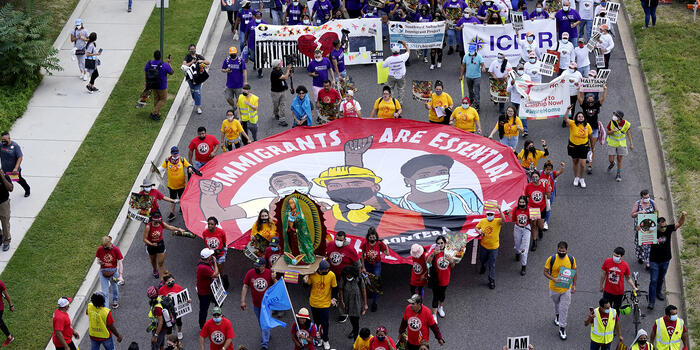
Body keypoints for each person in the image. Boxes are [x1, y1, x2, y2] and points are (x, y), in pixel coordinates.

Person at [648, 212, 686, 310]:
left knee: (661, 278)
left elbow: (679, 223)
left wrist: (683, 216)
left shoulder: (668, 229)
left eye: (665, 225)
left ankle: (658, 292)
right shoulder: (651, 231)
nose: (664, 228)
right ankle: (651, 301)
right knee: (653, 280)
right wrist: (639, 229)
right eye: (662, 226)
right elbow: (642, 234)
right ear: (657, 226)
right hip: (654, 261)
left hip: (665, 260)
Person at [543, 241, 577, 340]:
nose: (561, 252)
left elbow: (574, 272)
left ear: (566, 250)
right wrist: (553, 279)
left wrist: (574, 285)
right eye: (559, 250)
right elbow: (545, 272)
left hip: (566, 289)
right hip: (554, 288)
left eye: (563, 250)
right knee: (556, 303)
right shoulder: (551, 259)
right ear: (557, 250)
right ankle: (557, 316)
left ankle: (562, 327)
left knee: (564, 308)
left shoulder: (571, 259)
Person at [241, 257, 274, 350]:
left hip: (267, 305)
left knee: (265, 323)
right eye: (255, 266)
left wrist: (274, 279)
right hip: (256, 304)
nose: (256, 268)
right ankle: (266, 334)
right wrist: (243, 301)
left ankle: (264, 344)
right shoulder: (250, 273)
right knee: (261, 322)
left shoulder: (269, 273)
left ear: (263, 266)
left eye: (258, 266)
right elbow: (245, 286)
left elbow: (276, 286)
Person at [304, 260, 337, 350]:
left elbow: (334, 288)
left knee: (325, 323)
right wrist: (305, 281)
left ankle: (325, 339)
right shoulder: (313, 274)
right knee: (317, 323)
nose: (327, 271)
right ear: (320, 269)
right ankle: (319, 339)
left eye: (328, 269)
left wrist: (333, 298)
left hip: (325, 304)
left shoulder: (331, 275)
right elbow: (306, 286)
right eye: (325, 269)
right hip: (314, 303)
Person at [143, 211, 184, 280]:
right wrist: (151, 244)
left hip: (160, 244)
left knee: (161, 263)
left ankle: (162, 279)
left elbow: (170, 227)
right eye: (157, 221)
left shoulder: (162, 224)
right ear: (153, 220)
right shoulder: (148, 227)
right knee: (153, 260)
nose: (159, 222)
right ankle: (155, 270)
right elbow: (144, 239)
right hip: (151, 246)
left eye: (160, 220)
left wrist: (178, 229)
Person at [156, 146, 193, 221]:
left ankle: (182, 209)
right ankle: (172, 213)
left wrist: (189, 168)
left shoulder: (182, 159)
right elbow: (162, 168)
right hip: (172, 186)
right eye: (174, 154)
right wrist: (155, 169)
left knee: (182, 198)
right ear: (171, 153)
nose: (175, 155)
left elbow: (188, 165)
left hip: (181, 185)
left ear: (178, 153)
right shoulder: (167, 160)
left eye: (176, 154)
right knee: (172, 199)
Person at [578, 86, 608, 174]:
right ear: (586, 99)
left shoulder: (596, 104)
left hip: (594, 129)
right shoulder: (584, 105)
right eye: (588, 99)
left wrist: (605, 90)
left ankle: (590, 165)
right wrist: (579, 90)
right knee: (584, 146)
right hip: (585, 129)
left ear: (594, 99)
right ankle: (585, 159)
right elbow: (579, 98)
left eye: (591, 99)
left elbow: (603, 98)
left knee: (592, 147)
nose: (590, 100)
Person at [137, 50, 174, 121]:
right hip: (162, 86)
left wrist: (147, 82)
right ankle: (154, 113)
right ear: (160, 57)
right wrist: (169, 63)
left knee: (156, 98)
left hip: (152, 84)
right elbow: (172, 72)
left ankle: (157, 114)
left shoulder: (149, 63)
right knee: (163, 99)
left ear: (154, 56)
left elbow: (146, 72)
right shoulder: (164, 65)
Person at [426, 236, 455, 323]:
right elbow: (428, 261)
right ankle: (434, 314)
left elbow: (453, 266)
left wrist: (451, 261)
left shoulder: (449, 252)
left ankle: (440, 307)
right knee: (435, 296)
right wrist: (433, 254)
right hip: (436, 279)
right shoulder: (435, 252)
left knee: (442, 295)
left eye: (442, 243)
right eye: (438, 243)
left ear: (445, 243)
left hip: (445, 279)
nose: (440, 245)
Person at [600, 247, 637, 312]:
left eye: (617, 256)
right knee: (606, 309)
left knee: (616, 310)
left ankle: (615, 321)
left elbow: (628, 278)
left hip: (619, 293)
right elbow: (603, 274)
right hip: (607, 291)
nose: (615, 257)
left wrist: (634, 287)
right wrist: (601, 286)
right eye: (614, 255)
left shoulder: (625, 265)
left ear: (621, 256)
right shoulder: (607, 261)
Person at [476, 208, 505, 289]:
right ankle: (483, 265)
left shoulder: (497, 221)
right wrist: (479, 232)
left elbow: (504, 219)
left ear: (493, 215)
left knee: (492, 264)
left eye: (491, 215)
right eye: (488, 214)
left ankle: (491, 280)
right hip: (484, 246)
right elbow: (476, 228)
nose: (489, 216)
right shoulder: (482, 221)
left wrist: (500, 209)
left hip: (494, 248)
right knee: (482, 259)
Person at [360, 227, 388, 312]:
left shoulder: (379, 244)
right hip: (367, 264)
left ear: (376, 237)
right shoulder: (365, 244)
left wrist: (385, 244)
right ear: (368, 237)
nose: (372, 239)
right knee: (367, 279)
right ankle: (370, 292)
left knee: (376, 282)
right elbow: (362, 255)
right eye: (370, 237)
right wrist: (363, 267)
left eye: (374, 237)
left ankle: (374, 302)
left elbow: (387, 253)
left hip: (376, 265)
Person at [564, 110, 593, 188]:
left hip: (583, 147)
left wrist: (593, 147)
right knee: (575, 162)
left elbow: (590, 137)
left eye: (582, 116)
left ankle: (582, 178)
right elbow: (565, 118)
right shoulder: (572, 123)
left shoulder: (587, 126)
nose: (580, 118)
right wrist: (567, 110)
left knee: (582, 164)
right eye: (579, 116)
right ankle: (576, 177)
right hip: (573, 146)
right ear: (576, 118)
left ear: (584, 118)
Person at [339, 266, 368, 340]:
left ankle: (356, 337)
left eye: (349, 275)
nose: (348, 276)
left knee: (356, 320)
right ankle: (354, 330)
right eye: (347, 275)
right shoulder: (344, 279)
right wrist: (342, 301)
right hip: (347, 302)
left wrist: (365, 304)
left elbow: (363, 290)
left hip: (356, 302)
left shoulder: (359, 279)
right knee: (351, 319)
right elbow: (341, 289)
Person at [96, 236, 124, 309]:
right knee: (105, 292)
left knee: (114, 287)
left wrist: (120, 276)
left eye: (106, 246)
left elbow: (120, 263)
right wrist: (100, 262)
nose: (105, 248)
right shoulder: (100, 249)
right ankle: (106, 310)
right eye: (104, 246)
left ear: (110, 243)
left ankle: (115, 299)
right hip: (103, 272)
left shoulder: (115, 249)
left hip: (113, 272)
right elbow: (97, 260)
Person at [159, 273, 190, 339]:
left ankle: (179, 331)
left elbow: (184, 297)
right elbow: (159, 299)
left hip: (177, 310)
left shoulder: (178, 287)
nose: (171, 283)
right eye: (168, 282)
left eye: (172, 281)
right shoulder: (161, 290)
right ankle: (169, 336)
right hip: (168, 311)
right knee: (168, 324)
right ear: (165, 283)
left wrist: (188, 300)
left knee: (179, 321)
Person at [606, 110, 633, 182]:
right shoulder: (611, 122)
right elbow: (608, 132)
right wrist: (612, 131)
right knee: (611, 159)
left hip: (621, 144)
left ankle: (618, 173)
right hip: (612, 143)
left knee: (619, 159)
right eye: (614, 114)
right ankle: (612, 163)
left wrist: (631, 144)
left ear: (620, 117)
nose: (614, 116)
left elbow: (628, 134)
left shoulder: (626, 124)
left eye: (616, 115)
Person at [183, 44, 210, 114]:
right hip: (190, 78)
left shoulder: (199, 56)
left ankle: (198, 107)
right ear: (189, 50)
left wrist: (202, 61)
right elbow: (184, 65)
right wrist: (192, 62)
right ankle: (195, 100)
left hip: (198, 77)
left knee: (197, 91)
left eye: (193, 49)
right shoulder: (187, 57)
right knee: (192, 91)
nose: (193, 51)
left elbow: (208, 62)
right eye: (191, 49)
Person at [0, 132, 29, 199]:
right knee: (5, 183)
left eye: (5, 140)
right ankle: (5, 197)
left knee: (19, 180)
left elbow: (20, 157)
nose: (3, 141)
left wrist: (16, 168)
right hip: (4, 170)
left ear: (9, 138)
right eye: (2, 140)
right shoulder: (1, 145)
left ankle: (27, 189)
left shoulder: (15, 146)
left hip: (13, 171)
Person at [202, 217, 229, 289]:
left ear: (215, 225)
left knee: (220, 271)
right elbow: (206, 242)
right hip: (211, 255)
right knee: (213, 271)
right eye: (209, 224)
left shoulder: (221, 232)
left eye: (212, 224)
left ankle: (225, 281)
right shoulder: (205, 233)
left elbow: (224, 242)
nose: (210, 226)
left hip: (220, 254)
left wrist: (220, 250)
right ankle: (217, 285)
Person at [632, 189, 656, 269]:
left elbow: (656, 213)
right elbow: (632, 215)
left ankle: (648, 262)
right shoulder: (638, 204)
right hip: (640, 228)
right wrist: (639, 212)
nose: (647, 198)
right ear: (642, 197)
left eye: (648, 197)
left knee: (649, 244)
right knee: (640, 243)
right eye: (645, 197)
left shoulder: (652, 203)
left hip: (650, 227)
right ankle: (640, 257)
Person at [196, 248, 219, 329]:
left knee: (219, 301)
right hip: (204, 293)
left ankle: (217, 315)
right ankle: (202, 326)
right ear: (208, 257)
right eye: (210, 255)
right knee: (204, 309)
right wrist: (215, 262)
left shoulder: (203, 262)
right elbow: (215, 274)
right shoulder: (204, 267)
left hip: (209, 289)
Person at [525, 171, 549, 251]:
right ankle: (534, 241)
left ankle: (540, 230)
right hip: (533, 208)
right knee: (533, 225)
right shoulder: (528, 186)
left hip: (542, 208)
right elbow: (526, 196)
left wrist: (549, 191)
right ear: (531, 178)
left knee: (540, 226)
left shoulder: (543, 185)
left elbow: (548, 196)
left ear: (539, 177)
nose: (535, 178)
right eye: (533, 177)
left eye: (536, 177)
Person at [540, 160, 566, 229]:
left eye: (550, 170)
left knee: (547, 208)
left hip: (549, 195)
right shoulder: (540, 173)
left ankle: (545, 222)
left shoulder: (552, 174)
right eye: (547, 169)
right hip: (540, 195)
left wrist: (562, 167)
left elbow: (559, 172)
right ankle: (536, 221)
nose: (549, 171)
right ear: (544, 169)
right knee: (537, 206)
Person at [222, 46, 247, 114]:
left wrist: (245, 82)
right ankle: (234, 106)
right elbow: (222, 69)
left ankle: (238, 111)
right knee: (228, 98)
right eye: (231, 54)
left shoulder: (240, 61)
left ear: (236, 53)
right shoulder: (227, 60)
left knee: (239, 99)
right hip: (229, 84)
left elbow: (244, 71)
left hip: (239, 85)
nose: (232, 55)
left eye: (234, 53)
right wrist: (225, 70)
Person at [459, 44, 485, 111]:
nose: (471, 52)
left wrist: (483, 68)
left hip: (477, 77)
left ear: (475, 50)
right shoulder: (466, 56)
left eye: (472, 51)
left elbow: (482, 64)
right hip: (468, 76)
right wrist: (461, 75)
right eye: (470, 51)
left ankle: (477, 105)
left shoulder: (479, 57)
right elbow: (463, 66)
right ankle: (472, 100)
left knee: (476, 90)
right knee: (470, 90)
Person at [511, 195, 531, 275]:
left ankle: (523, 266)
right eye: (520, 202)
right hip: (517, 228)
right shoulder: (515, 209)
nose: (521, 203)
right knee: (517, 244)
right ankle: (517, 252)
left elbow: (532, 220)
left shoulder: (529, 210)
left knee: (524, 248)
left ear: (526, 202)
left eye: (523, 202)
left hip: (526, 229)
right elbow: (513, 219)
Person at [244, 11, 266, 79]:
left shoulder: (264, 23)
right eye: (257, 16)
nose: (258, 17)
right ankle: (256, 63)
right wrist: (245, 40)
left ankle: (260, 71)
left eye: (259, 17)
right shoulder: (250, 23)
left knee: (261, 58)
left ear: (261, 17)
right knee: (253, 57)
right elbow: (246, 33)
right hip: (252, 44)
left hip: (261, 45)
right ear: (255, 17)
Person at [147, 286, 169, 350]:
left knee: (155, 346)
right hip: (163, 329)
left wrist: (156, 336)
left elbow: (160, 323)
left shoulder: (157, 308)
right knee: (161, 343)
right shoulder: (159, 298)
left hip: (159, 330)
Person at [270, 59, 291, 126]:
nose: (281, 64)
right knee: (276, 105)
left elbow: (285, 77)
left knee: (283, 105)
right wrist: (288, 70)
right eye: (279, 63)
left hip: (282, 90)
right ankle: (276, 113)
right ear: (277, 65)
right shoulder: (274, 73)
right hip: (275, 92)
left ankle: (282, 119)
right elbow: (284, 77)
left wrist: (289, 73)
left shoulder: (279, 70)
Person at [0, 170, 13, 251]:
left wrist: (3, 177)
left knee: (5, 223)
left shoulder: (5, 176)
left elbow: (10, 188)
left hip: (3, 203)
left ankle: (6, 241)